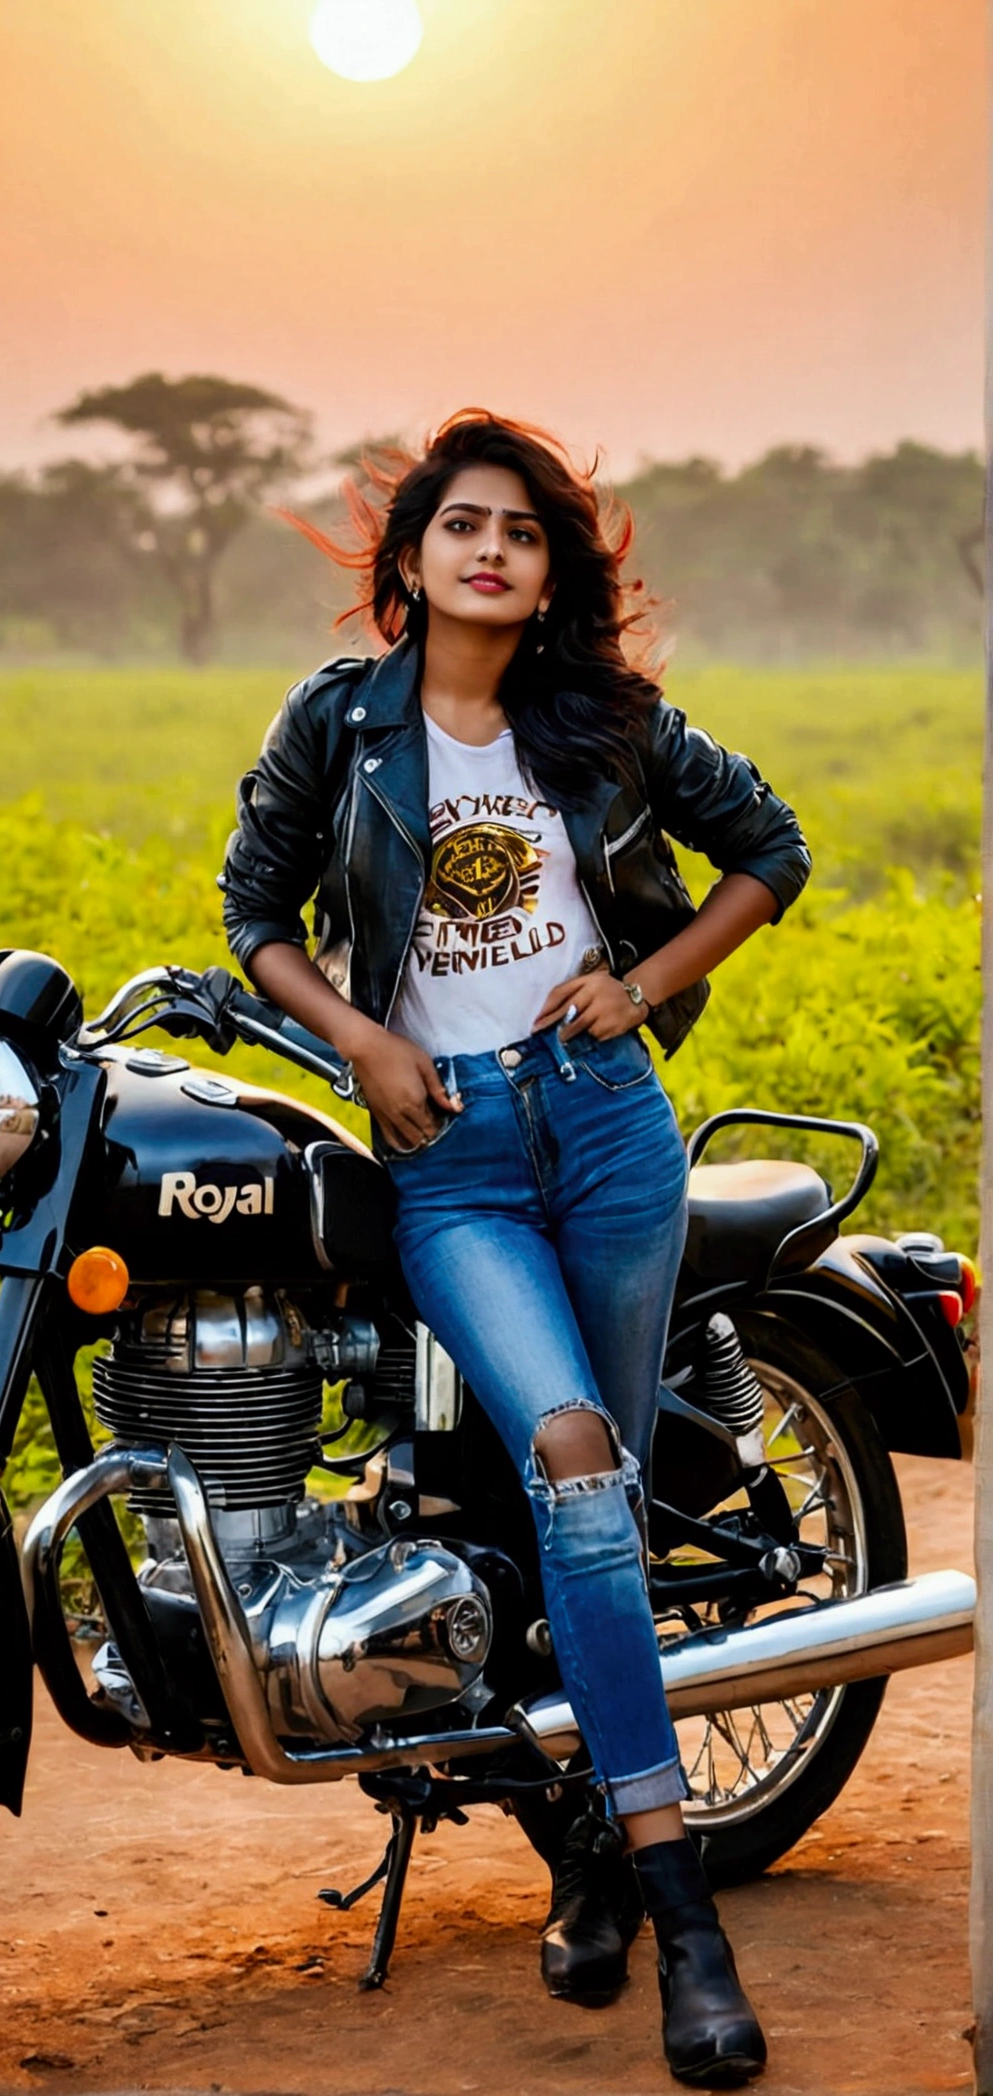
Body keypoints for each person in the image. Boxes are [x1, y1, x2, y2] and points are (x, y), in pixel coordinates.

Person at [217, 410, 810, 2088]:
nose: (491, 550)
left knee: (590, 1511)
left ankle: (612, 1881)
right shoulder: (340, 724)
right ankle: (688, 1906)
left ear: (553, 570)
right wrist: (359, 1036)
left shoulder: (603, 722)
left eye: (522, 532)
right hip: (449, 1157)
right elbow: (252, 908)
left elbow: (770, 849)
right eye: (460, 525)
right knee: (563, 1459)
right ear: (410, 560)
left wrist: (645, 980)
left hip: (610, 1129)